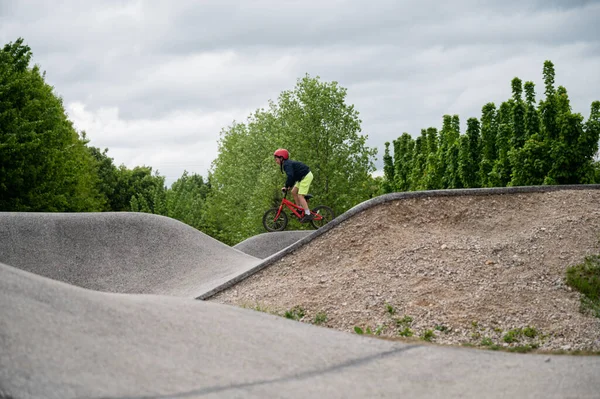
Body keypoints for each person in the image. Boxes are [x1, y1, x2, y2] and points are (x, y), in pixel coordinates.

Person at [273, 148, 314, 222]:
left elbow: (290, 176)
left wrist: (286, 186)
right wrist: (289, 186)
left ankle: (308, 214)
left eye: (276, 159)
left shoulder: (286, 165)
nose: (275, 161)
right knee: (293, 192)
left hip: (306, 176)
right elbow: (293, 176)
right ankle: (299, 209)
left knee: (300, 195)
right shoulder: (287, 164)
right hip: (301, 178)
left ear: (281, 158)